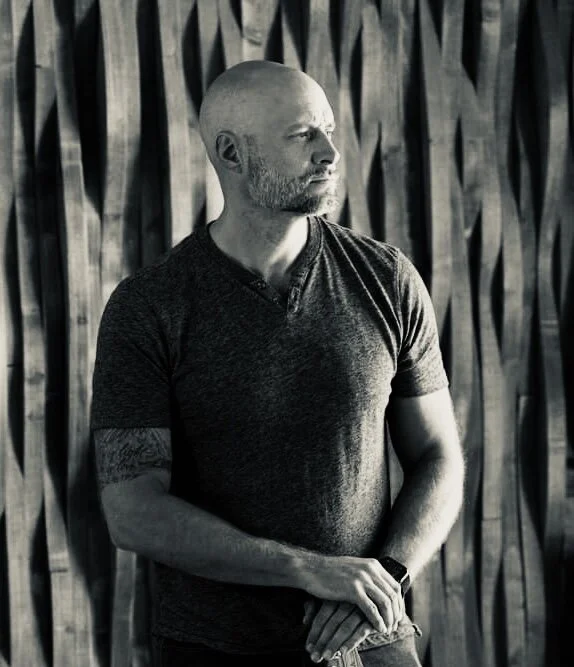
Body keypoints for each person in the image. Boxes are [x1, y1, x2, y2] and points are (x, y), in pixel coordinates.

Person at [91, 60, 465, 667]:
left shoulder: (387, 279)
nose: (330, 154)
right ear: (232, 154)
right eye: (302, 135)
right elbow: (132, 512)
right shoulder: (150, 306)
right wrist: (309, 570)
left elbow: (438, 456)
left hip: (374, 637)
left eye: (328, 131)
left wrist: (385, 576)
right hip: (215, 649)